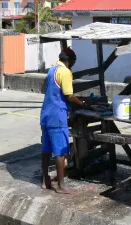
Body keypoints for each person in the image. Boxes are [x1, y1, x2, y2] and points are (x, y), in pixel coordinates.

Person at [40, 47, 86, 194]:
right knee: (60, 151)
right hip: (57, 116)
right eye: (72, 62)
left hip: (46, 115)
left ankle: (45, 181)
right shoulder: (65, 72)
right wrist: (84, 104)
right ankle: (61, 185)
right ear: (69, 61)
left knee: (46, 150)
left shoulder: (51, 70)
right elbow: (69, 96)